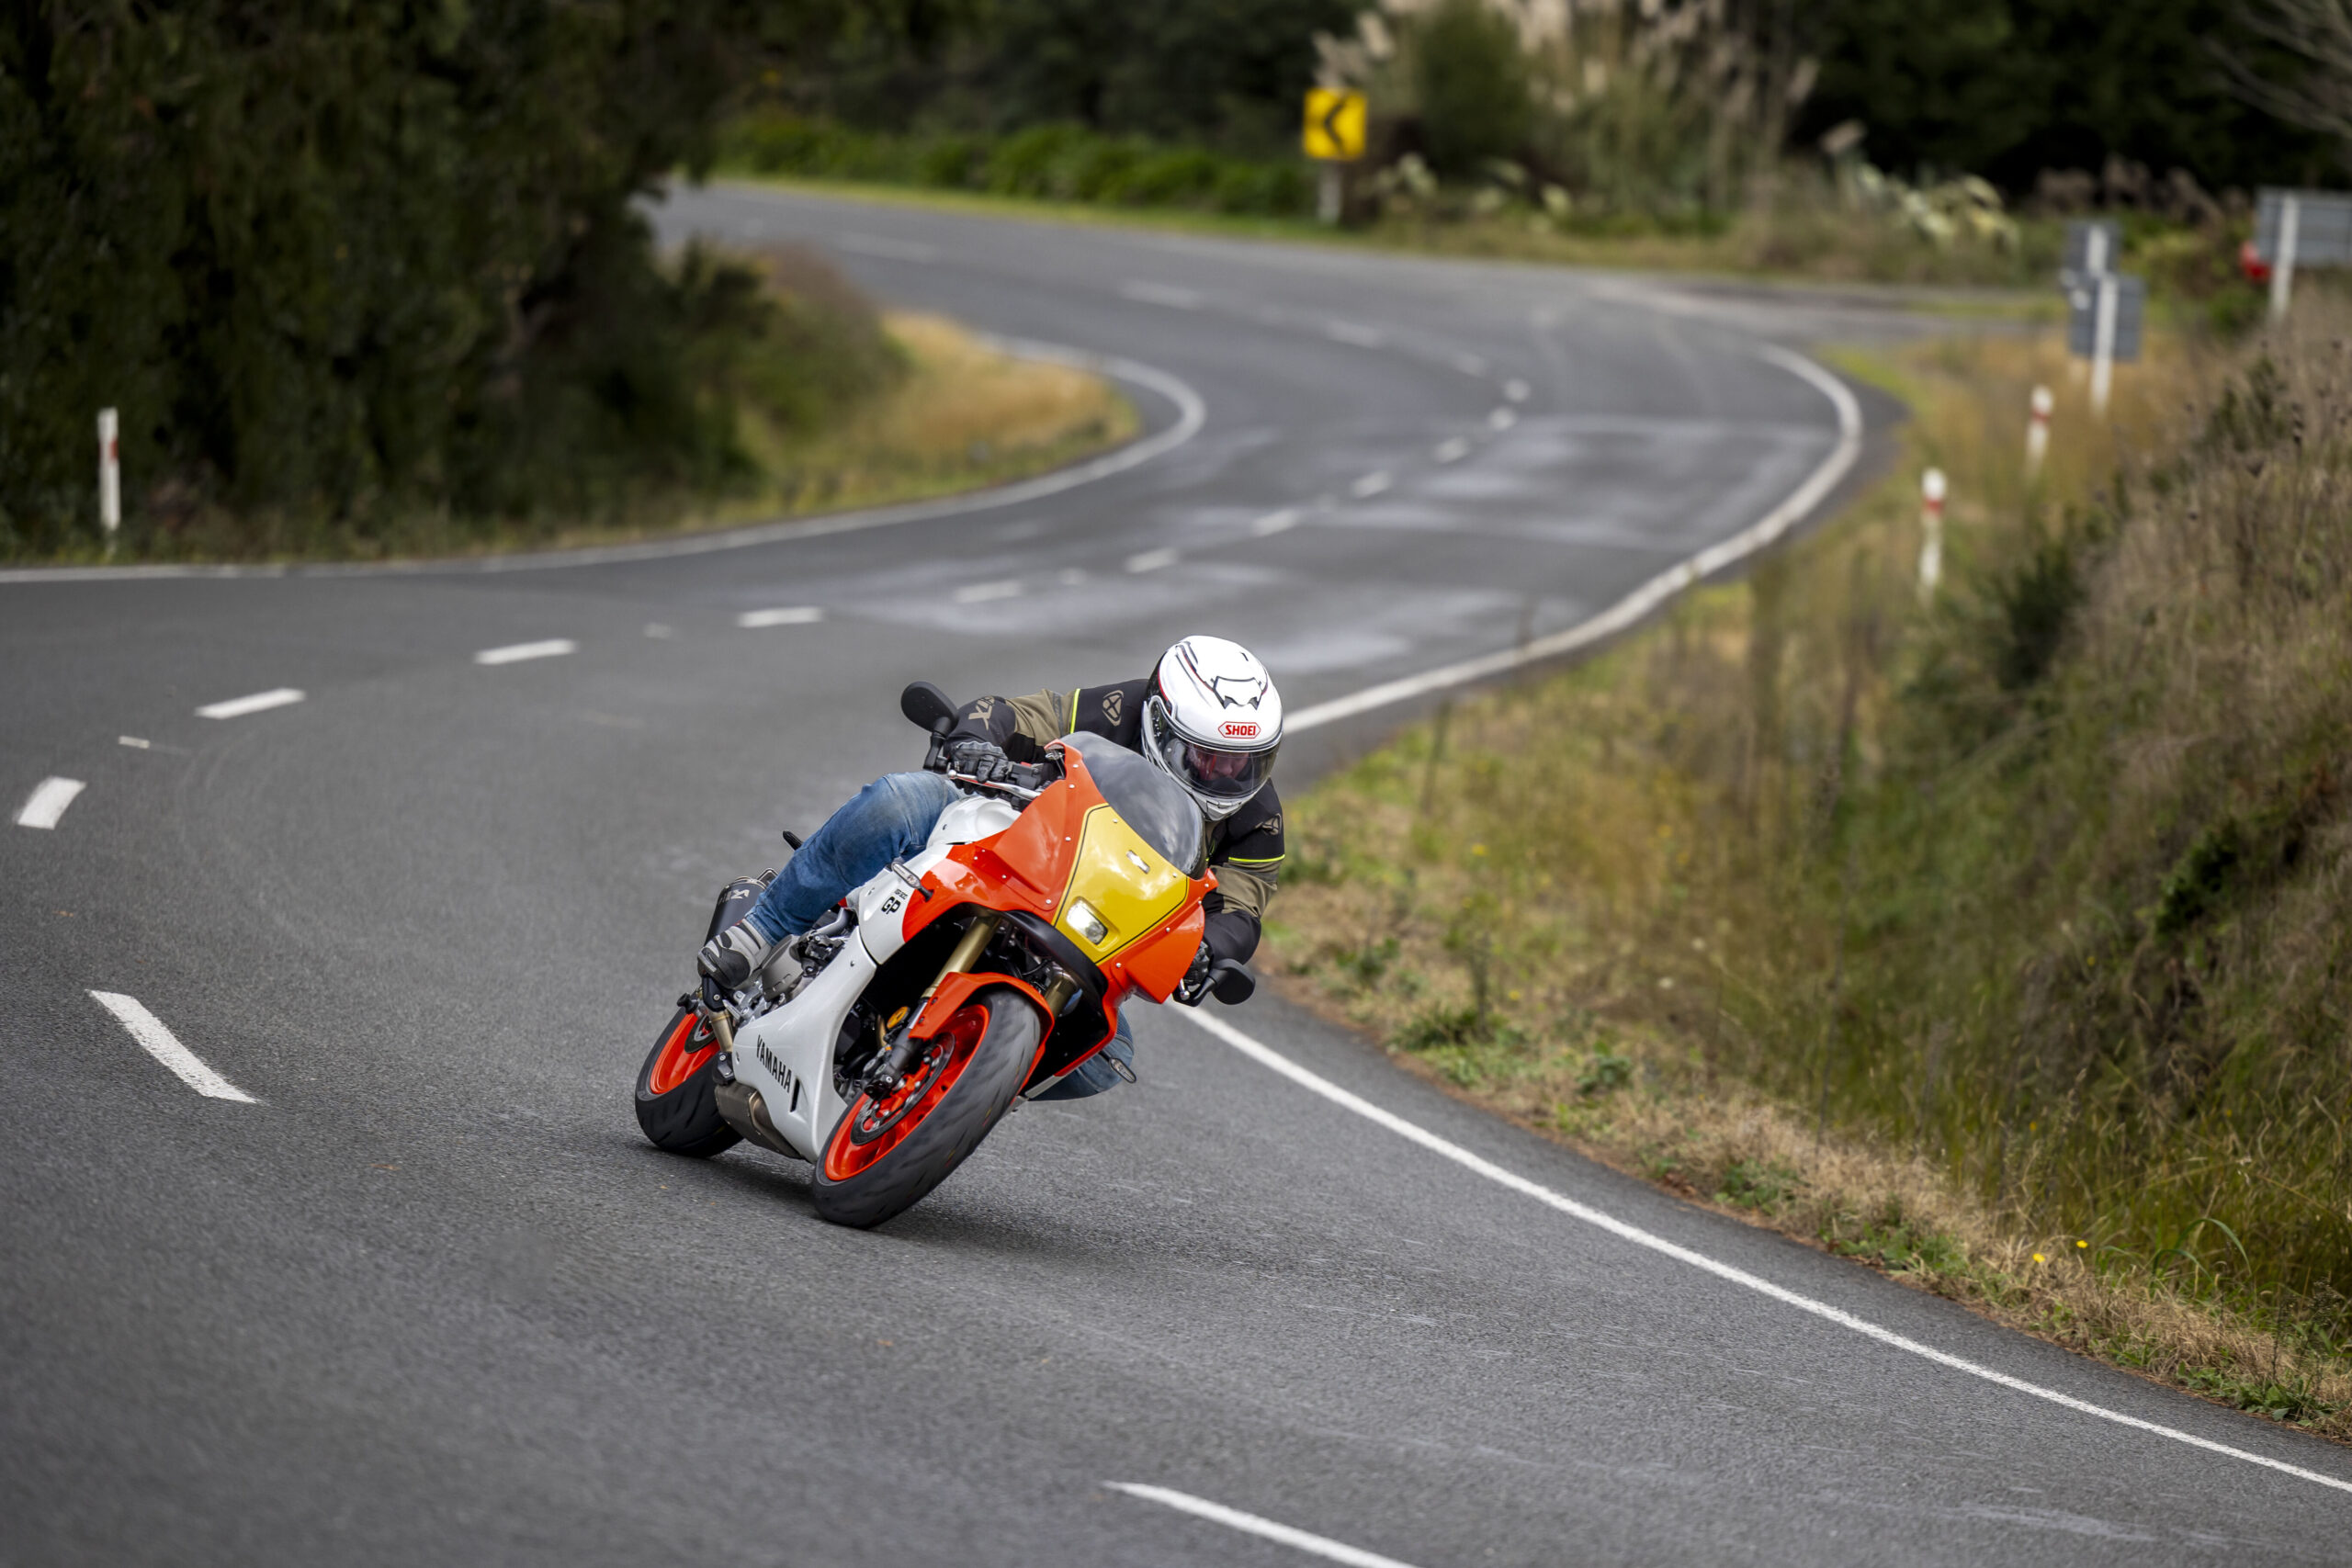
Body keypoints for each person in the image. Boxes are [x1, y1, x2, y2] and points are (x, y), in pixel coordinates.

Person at [696, 636, 1285, 1099]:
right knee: (903, 798)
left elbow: (1242, 906)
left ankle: (955, 1081)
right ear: (1159, 723)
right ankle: (764, 929)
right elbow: (1008, 713)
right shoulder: (1118, 709)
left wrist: (1210, 946)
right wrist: (977, 740)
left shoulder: (1257, 816)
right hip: (1015, 846)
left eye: (1244, 763)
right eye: (1210, 757)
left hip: (1097, 922)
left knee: (1110, 1057)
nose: (1228, 775)